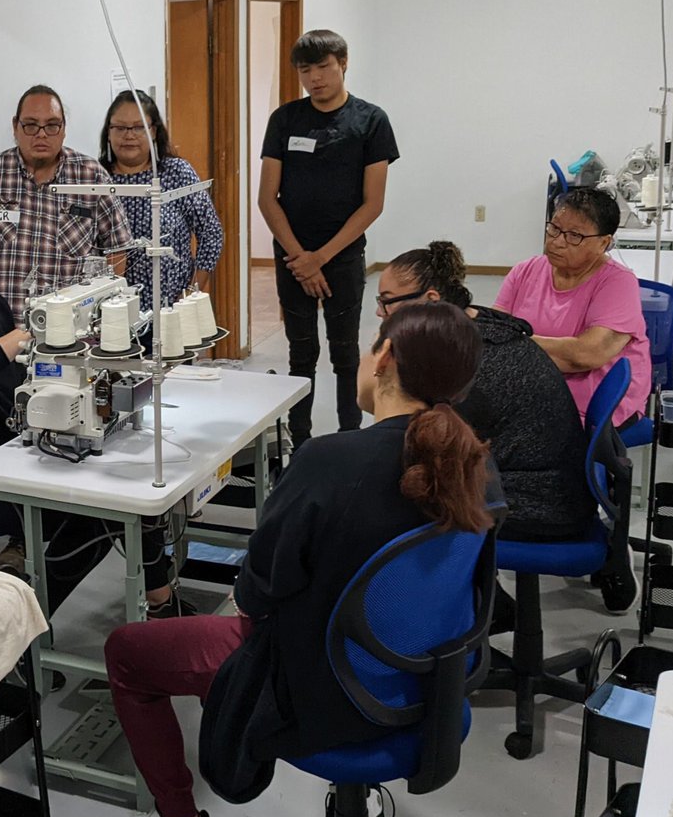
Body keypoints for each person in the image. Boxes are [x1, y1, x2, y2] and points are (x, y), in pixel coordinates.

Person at [103, 302, 494, 817]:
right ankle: (350, 815)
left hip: (319, 694)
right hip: (424, 686)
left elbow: (257, 592)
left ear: (384, 358)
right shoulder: (476, 468)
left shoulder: (331, 462)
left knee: (128, 652)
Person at [0, 207, 186, 615]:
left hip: (6, 451)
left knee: (119, 494)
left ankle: (157, 601)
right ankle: (28, 627)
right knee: (91, 517)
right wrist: (14, 341)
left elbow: (19, 378)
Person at [378, 241, 595, 543]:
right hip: (552, 492)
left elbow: (417, 442)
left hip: (538, 507)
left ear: (430, 300)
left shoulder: (467, 362)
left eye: (387, 301)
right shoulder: (480, 325)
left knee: (393, 495)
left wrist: (377, 377)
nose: (379, 312)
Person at [258, 30, 398, 445]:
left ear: (343, 63)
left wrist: (320, 258)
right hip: (291, 256)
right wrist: (301, 258)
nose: (315, 78)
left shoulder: (370, 121)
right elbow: (268, 199)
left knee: (344, 353)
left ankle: (348, 439)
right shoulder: (285, 120)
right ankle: (300, 443)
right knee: (300, 353)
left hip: (342, 255)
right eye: (306, 70)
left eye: (324, 67)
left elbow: (373, 204)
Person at [0, 85, 132, 319]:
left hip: (71, 330)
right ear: (15, 126)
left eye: (52, 125)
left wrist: (100, 312)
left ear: (63, 129)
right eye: (31, 125)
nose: (42, 134)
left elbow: (117, 249)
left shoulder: (91, 177)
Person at [495, 186, 651, 427]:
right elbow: (493, 337)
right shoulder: (524, 272)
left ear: (604, 243)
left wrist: (513, 342)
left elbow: (587, 354)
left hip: (588, 405)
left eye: (574, 236)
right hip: (529, 391)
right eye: (554, 228)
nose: (557, 242)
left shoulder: (618, 283)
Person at [99, 90, 224, 306]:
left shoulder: (177, 173)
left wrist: (190, 294)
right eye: (119, 128)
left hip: (171, 309)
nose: (129, 135)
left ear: (154, 131)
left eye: (138, 127)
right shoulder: (97, 178)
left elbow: (211, 233)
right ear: (108, 133)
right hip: (110, 313)